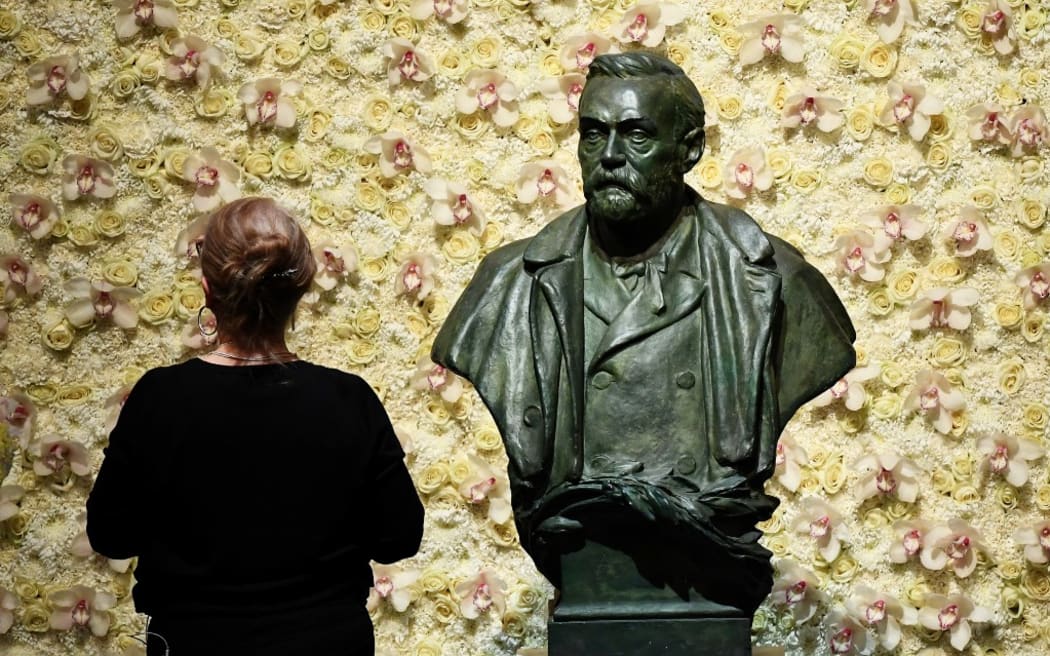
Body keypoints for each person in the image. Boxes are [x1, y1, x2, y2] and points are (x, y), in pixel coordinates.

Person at [432, 53, 855, 613]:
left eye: (636, 135)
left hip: (705, 584)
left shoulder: (774, 281)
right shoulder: (509, 284)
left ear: (689, 150)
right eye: (593, 134)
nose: (609, 156)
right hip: (585, 568)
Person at [87, 197, 424, 655]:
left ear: (207, 289)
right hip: (328, 644)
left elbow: (111, 535)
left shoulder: (159, 398)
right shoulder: (350, 399)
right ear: (301, 288)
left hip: (194, 645)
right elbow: (399, 538)